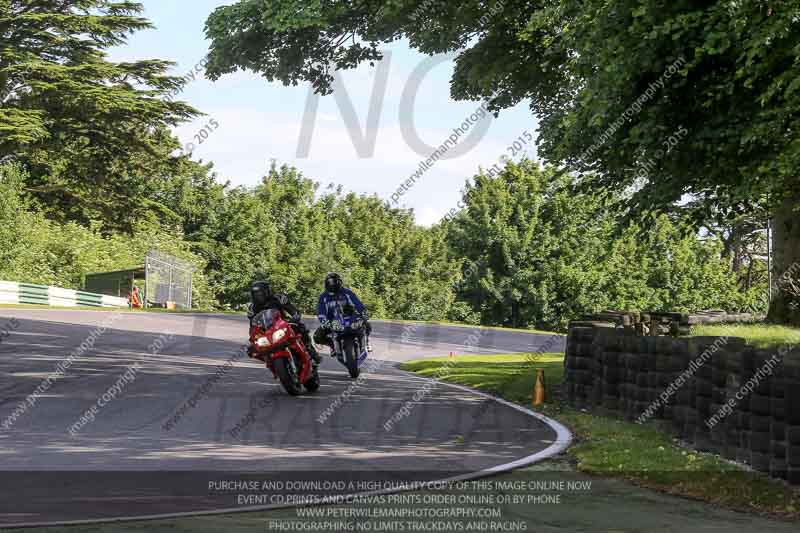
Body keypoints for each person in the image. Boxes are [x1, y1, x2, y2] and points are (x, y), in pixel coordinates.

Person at [247, 281, 321, 364]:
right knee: (251, 349)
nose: (258, 296)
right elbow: (252, 325)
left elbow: (293, 311)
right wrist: (253, 336)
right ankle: (270, 361)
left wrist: (295, 316)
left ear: (267, 291)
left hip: (283, 325)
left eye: (260, 293)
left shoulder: (278, 299)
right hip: (266, 332)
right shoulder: (252, 308)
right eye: (255, 294)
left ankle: (310, 350)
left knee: (299, 327)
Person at [313, 272, 373, 354]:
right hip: (333, 321)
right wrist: (324, 320)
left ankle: (366, 342)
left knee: (367, 324)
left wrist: (363, 313)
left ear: (339, 282)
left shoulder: (347, 292)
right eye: (330, 282)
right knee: (317, 336)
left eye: (334, 282)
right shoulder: (323, 297)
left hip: (350, 317)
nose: (332, 284)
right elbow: (321, 311)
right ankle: (332, 345)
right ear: (326, 284)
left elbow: (357, 303)